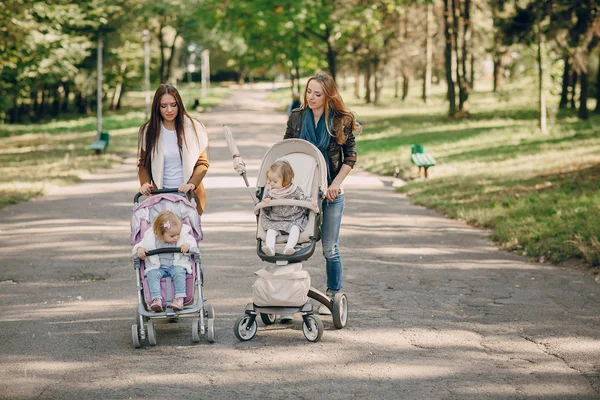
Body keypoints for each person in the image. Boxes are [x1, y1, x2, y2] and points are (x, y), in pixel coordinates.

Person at [283, 72, 361, 312]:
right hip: (301, 193)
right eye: (309, 92)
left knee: (330, 248)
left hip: (330, 193)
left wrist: (335, 184)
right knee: (291, 244)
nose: (312, 97)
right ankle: (286, 295)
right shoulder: (297, 117)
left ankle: (333, 294)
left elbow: (350, 157)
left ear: (329, 95)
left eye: (318, 94)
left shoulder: (341, 120)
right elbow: (286, 149)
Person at [137, 84, 209, 215]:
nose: (169, 110)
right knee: (164, 234)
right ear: (157, 107)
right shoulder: (148, 131)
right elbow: (143, 164)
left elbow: (202, 164)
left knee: (186, 235)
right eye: (163, 106)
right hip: (161, 196)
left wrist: (191, 184)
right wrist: (145, 183)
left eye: (173, 105)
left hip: (188, 195)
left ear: (179, 105)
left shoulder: (195, 128)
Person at [132, 211, 198, 312]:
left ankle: (179, 299)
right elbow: (139, 246)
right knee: (152, 274)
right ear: (160, 234)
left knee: (179, 272)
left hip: (176, 265)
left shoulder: (183, 236)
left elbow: (194, 245)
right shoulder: (150, 238)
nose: (176, 238)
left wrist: (187, 246)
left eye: (178, 234)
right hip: (158, 267)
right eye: (172, 236)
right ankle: (156, 299)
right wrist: (140, 250)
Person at [260, 160, 317, 256]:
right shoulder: (270, 193)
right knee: (271, 231)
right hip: (275, 220)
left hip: (293, 219)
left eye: (275, 181)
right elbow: (266, 210)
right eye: (270, 181)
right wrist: (266, 203)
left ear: (286, 180)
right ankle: (270, 247)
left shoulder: (295, 190)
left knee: (295, 229)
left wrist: (312, 202)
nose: (271, 184)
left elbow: (304, 198)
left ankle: (289, 247)